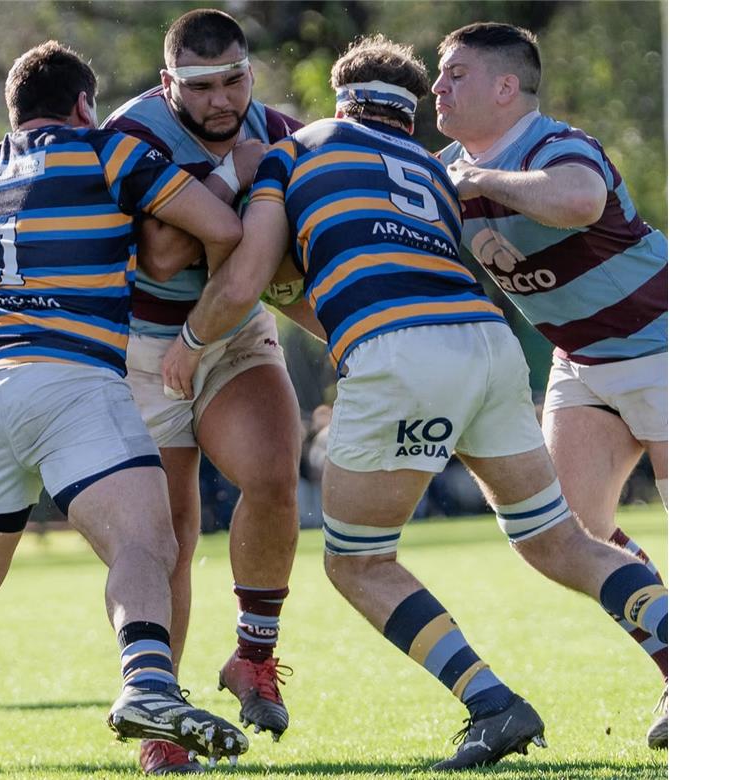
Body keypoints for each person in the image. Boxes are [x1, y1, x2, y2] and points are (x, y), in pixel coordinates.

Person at [160, 34, 671, 771]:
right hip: (491, 346)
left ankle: (492, 704)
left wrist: (190, 339)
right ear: (409, 113)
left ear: (341, 100)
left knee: (356, 562)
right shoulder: (432, 174)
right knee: (560, 536)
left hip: (428, 351)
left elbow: (245, 279)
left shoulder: (295, 151)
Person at [0, 39, 251, 771]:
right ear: (84, 103)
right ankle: (150, 683)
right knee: (146, 543)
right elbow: (218, 227)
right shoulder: (109, 150)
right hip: (72, 382)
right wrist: (236, 173)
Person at [432, 22, 670, 749]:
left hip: (669, 346)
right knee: (562, 533)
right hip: (583, 364)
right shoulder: (445, 170)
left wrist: (483, 180)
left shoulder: (555, 145)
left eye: (455, 75)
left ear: (507, 88)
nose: (438, 87)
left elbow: (578, 202)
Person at [101, 9, 305, 774]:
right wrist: (237, 175)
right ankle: (166, 716)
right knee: (173, 531)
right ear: (168, 83)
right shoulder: (132, 130)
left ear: (251, 72)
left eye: (234, 81)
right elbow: (162, 254)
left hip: (233, 330)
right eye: (202, 86)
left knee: (274, 477)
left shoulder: (277, 128)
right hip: (145, 344)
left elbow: (285, 260)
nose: (223, 101)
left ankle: (253, 656)